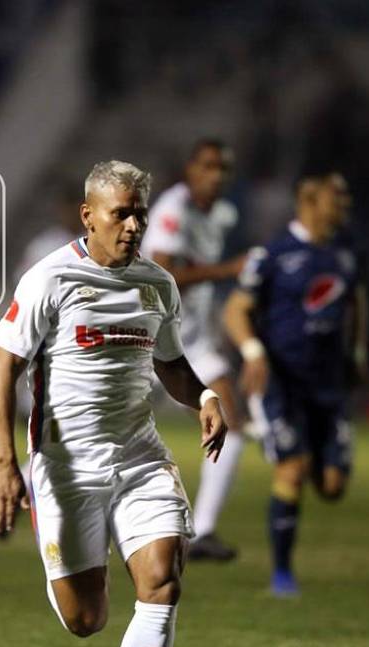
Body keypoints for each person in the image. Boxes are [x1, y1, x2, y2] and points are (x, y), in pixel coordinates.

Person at [0, 160, 228, 647]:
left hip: (140, 456)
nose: (135, 225)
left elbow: (170, 363)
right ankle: (86, 556)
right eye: (122, 213)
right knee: (85, 619)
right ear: (89, 216)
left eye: (140, 213)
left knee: (163, 577)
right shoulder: (50, 279)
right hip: (65, 467)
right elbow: (3, 368)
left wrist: (207, 397)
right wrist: (3, 462)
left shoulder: (157, 285)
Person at [223, 166, 367, 597]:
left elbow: (357, 300)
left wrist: (356, 350)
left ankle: (262, 431)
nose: (343, 206)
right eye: (334, 198)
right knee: (293, 467)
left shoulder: (345, 252)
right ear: (308, 202)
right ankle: (282, 575)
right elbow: (235, 310)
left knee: (332, 485)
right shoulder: (273, 255)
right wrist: (253, 352)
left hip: (326, 382)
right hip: (281, 381)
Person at [140, 138, 262, 562]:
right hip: (149, 336)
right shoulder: (173, 210)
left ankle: (204, 531)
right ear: (190, 169)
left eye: (223, 168)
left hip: (190, 338)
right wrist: (228, 270)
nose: (216, 175)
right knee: (104, 435)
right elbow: (164, 273)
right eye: (208, 166)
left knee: (230, 423)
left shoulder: (221, 214)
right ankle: (26, 483)